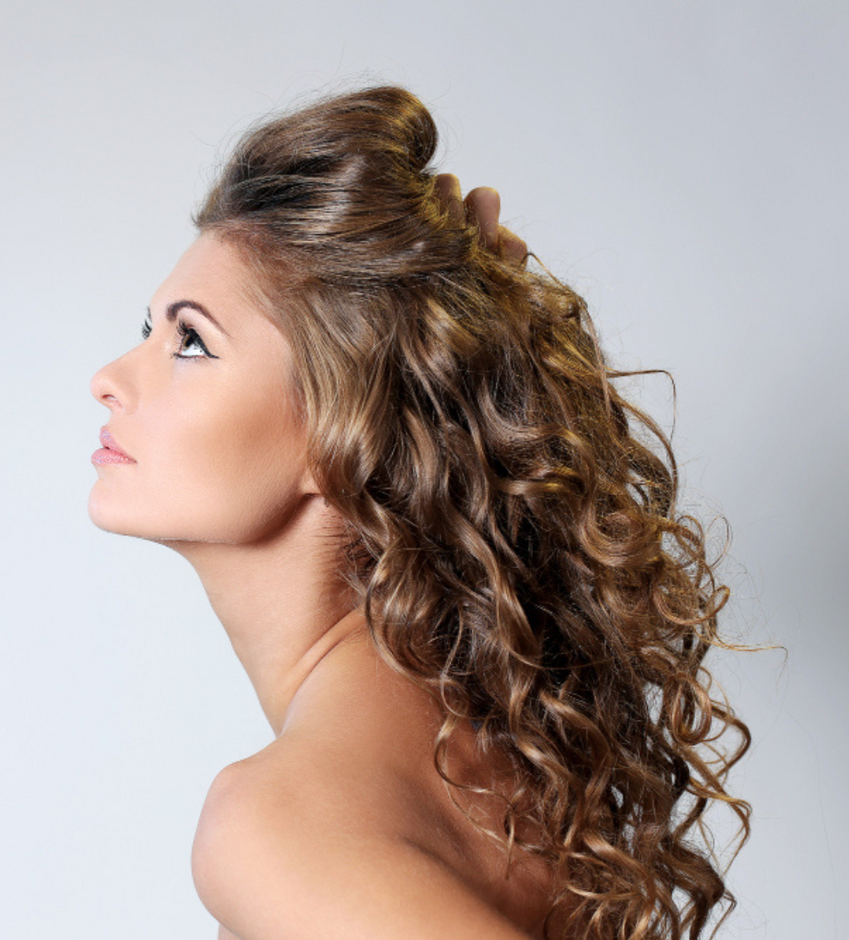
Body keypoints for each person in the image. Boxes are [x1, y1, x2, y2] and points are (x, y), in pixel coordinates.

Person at [89, 86, 750, 940]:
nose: (109, 378)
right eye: (148, 328)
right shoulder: (486, 750)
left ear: (347, 429)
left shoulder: (277, 826)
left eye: (190, 342)